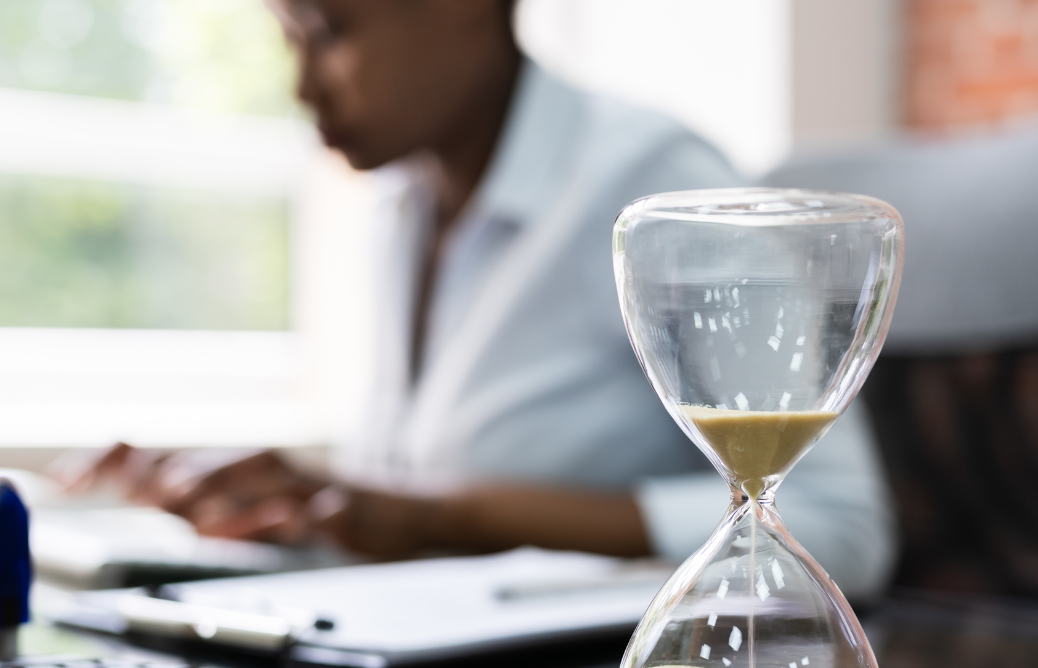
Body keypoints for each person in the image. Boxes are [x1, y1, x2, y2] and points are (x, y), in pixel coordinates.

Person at [63, 0, 897, 596]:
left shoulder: (658, 194)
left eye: (328, 31)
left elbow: (841, 529)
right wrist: (288, 501)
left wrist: (438, 516)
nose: (303, 88)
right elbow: (405, 495)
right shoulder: (399, 208)